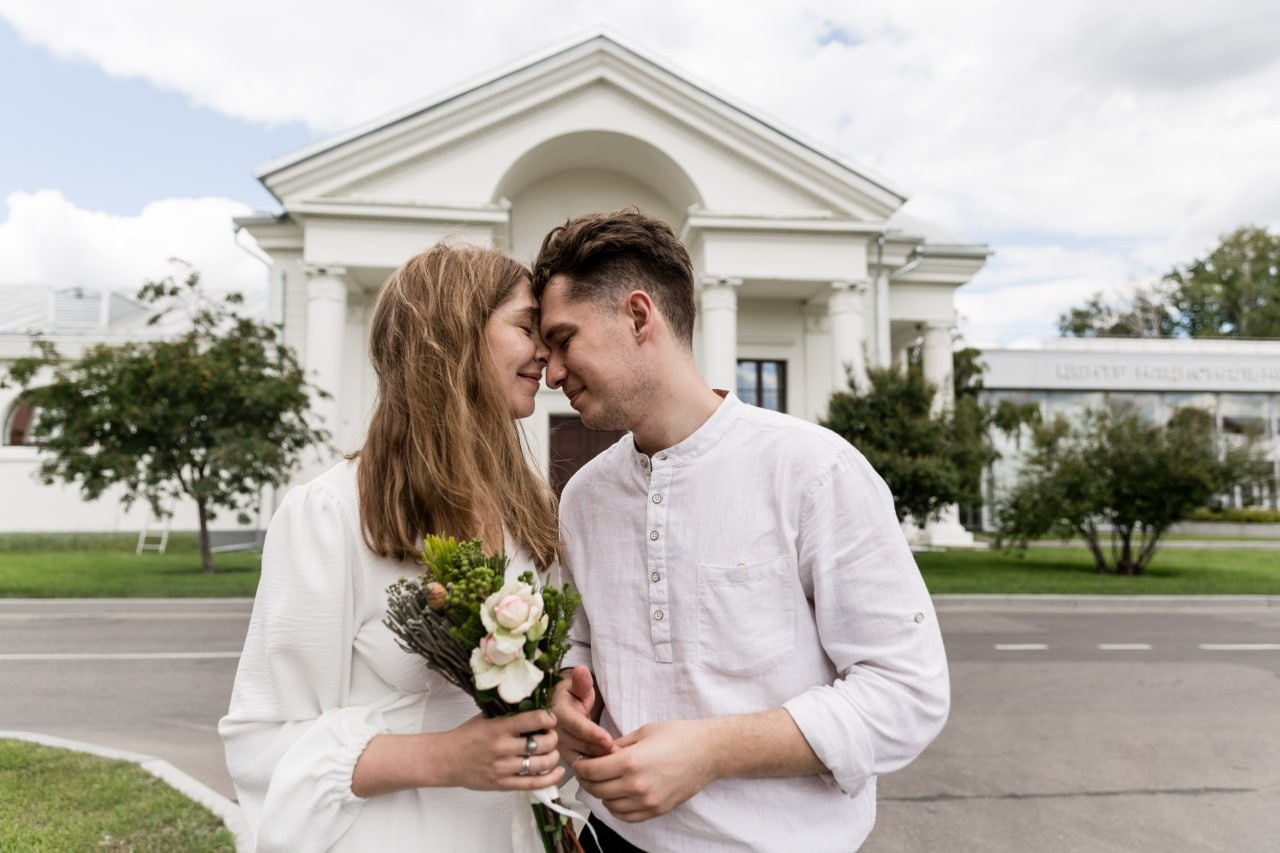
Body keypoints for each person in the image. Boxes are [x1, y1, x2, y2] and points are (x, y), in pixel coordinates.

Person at [533, 209, 951, 852]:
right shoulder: (584, 497)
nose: (553, 372)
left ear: (639, 316)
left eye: (565, 339)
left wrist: (710, 751)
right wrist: (569, 687)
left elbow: (907, 695)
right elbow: (582, 643)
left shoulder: (814, 471)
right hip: (610, 840)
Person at [219, 243, 567, 852]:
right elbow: (262, 745)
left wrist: (560, 696)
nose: (546, 350)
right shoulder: (330, 515)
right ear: (454, 335)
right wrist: (442, 758)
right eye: (525, 326)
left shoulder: (530, 511)